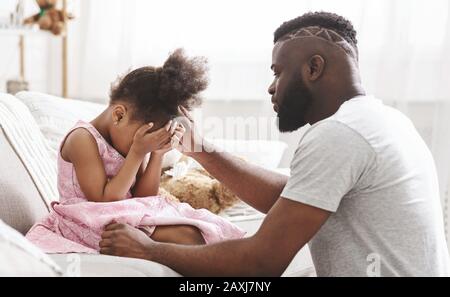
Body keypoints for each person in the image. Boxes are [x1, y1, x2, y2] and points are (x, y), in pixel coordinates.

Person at [99, 12, 450, 277]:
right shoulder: (382, 121)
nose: (271, 87)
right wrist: (197, 147)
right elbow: (290, 198)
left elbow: (260, 264)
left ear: (314, 67)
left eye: (278, 72)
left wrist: (149, 250)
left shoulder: (340, 134)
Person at [26, 49, 245, 254]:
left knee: (202, 229)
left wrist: (156, 156)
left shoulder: (134, 145)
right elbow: (103, 200)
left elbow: (144, 197)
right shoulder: (83, 139)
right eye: (141, 142)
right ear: (119, 115)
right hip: (87, 219)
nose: (142, 147)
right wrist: (138, 152)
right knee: (187, 237)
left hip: (124, 214)